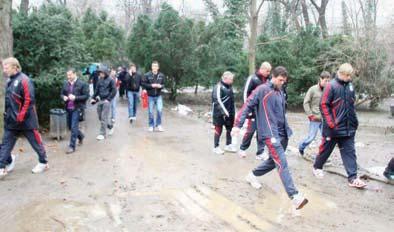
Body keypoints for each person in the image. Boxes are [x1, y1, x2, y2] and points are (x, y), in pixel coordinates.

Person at [233, 66, 308, 210]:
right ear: (272, 76)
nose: (282, 83)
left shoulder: (280, 92)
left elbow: (280, 113)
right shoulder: (262, 90)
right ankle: (295, 196)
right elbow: (247, 105)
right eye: (280, 80)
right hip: (270, 134)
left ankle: (252, 175)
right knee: (282, 162)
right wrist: (238, 124)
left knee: (273, 161)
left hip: (282, 133)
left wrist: (286, 131)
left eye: (284, 81)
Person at [313, 63, 367, 189]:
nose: (349, 78)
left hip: (348, 127)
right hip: (333, 128)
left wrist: (355, 121)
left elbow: (352, 105)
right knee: (326, 150)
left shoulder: (350, 86)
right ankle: (317, 167)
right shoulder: (330, 86)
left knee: (350, 152)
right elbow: (323, 105)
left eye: (350, 75)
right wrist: (331, 123)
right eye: (347, 75)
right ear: (341, 73)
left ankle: (353, 178)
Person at [0, 57, 49, 179]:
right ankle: (2, 166)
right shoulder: (9, 81)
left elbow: (29, 100)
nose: (4, 70)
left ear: (15, 67)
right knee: (5, 144)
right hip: (11, 120)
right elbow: (9, 102)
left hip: (26, 120)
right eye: (3, 68)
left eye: (6, 68)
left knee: (35, 142)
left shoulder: (25, 80)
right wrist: (7, 115)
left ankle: (43, 162)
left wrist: (21, 116)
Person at [239, 62, 271, 159]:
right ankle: (242, 149)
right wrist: (247, 109)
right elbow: (245, 93)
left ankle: (260, 152)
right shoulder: (252, 78)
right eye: (267, 71)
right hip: (252, 110)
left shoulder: (268, 80)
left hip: (263, 111)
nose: (269, 73)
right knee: (250, 131)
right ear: (262, 69)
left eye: (270, 71)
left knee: (262, 131)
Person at [298, 71, 331, 156]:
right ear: (320, 79)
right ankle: (301, 147)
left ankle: (321, 155)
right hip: (315, 118)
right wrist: (310, 115)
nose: (327, 83)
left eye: (328, 81)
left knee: (326, 138)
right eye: (325, 81)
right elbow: (306, 102)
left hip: (325, 119)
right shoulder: (313, 89)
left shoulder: (329, 90)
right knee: (311, 138)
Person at [61, 68, 89, 154]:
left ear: (74, 74)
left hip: (77, 108)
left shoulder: (82, 84)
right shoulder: (66, 83)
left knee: (73, 127)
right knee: (70, 127)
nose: (68, 77)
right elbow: (61, 93)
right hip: (68, 108)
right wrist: (63, 97)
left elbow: (86, 96)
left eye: (70, 75)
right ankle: (80, 136)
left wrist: (75, 98)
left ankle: (71, 146)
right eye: (67, 75)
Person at [211, 71, 236, 155]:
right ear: (225, 78)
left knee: (230, 128)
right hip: (219, 113)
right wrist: (224, 112)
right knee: (219, 129)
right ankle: (216, 147)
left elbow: (232, 101)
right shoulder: (218, 87)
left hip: (230, 113)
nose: (232, 81)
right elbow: (217, 100)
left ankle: (228, 144)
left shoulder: (230, 87)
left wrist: (232, 112)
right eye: (231, 79)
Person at [91, 66, 117, 140]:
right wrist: (93, 98)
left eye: (101, 73)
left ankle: (102, 134)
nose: (100, 74)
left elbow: (114, 91)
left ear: (105, 73)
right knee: (100, 117)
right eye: (100, 73)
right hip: (100, 100)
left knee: (103, 117)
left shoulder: (111, 80)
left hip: (107, 101)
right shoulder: (100, 80)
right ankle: (110, 126)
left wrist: (108, 99)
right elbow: (96, 90)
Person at [142, 61, 165, 132]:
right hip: (150, 96)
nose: (154, 67)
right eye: (153, 66)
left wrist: (161, 86)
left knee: (159, 110)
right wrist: (151, 85)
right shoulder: (147, 75)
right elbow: (143, 84)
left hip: (158, 96)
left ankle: (159, 125)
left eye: (156, 66)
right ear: (151, 67)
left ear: (158, 67)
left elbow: (164, 84)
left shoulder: (161, 75)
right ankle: (151, 125)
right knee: (151, 112)